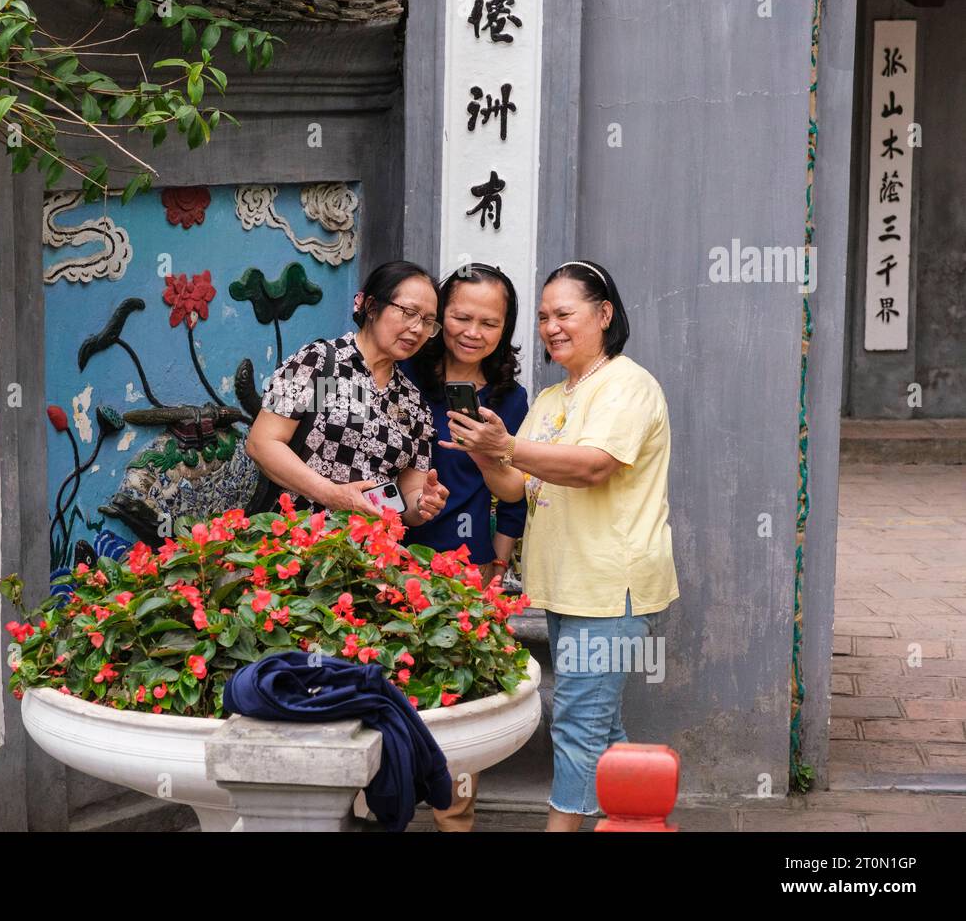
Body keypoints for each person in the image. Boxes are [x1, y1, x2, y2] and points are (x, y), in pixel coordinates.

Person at [440, 258, 679, 832]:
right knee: (601, 730)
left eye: (564, 313)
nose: (551, 327)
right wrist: (484, 450)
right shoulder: (549, 399)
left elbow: (595, 466)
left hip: (610, 586)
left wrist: (509, 447)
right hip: (567, 585)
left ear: (604, 314)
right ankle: (639, 822)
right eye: (543, 317)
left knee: (577, 726)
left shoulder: (628, 384)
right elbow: (514, 487)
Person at [399, 262, 529, 832]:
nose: (473, 331)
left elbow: (515, 495)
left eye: (490, 322)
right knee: (392, 692)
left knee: (458, 704)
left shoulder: (511, 397)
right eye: (461, 317)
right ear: (438, 317)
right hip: (390, 559)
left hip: (466, 569)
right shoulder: (400, 377)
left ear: (506, 329)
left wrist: (498, 564)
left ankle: (456, 820)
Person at [245, 260, 449, 524]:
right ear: (372, 307)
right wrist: (332, 495)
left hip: (369, 554)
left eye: (428, 321)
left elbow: (409, 498)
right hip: (297, 544)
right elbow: (261, 443)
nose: (418, 328)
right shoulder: (319, 363)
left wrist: (423, 503)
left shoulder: (414, 405)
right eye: (409, 312)